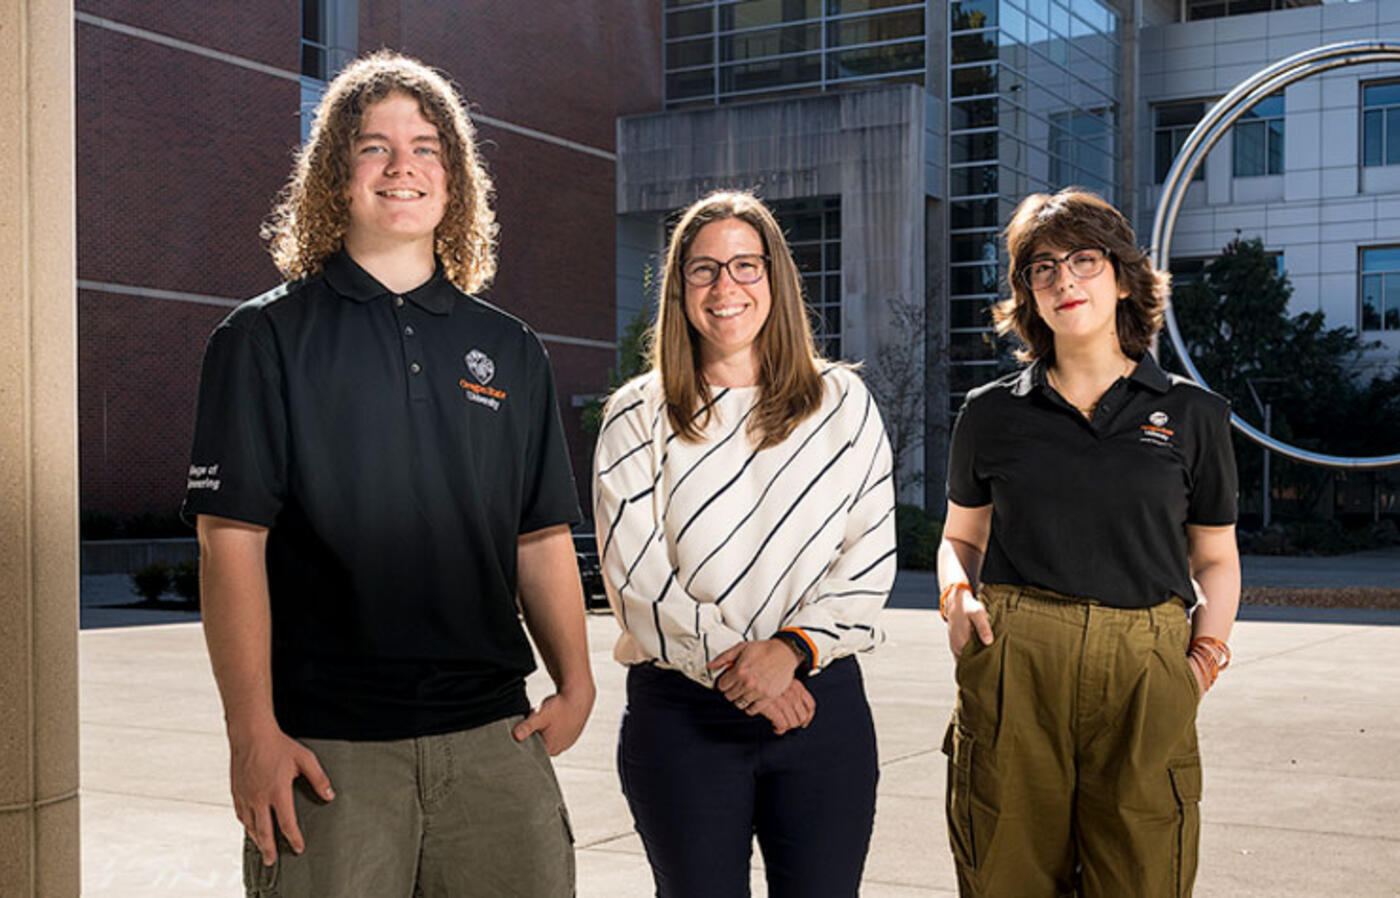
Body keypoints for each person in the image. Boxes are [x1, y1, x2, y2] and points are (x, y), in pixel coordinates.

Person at [182, 51, 593, 897]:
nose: (402, 166)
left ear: (456, 178)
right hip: (329, 753)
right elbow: (231, 547)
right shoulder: (261, 342)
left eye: (427, 146)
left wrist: (578, 683)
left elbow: (541, 531)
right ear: (336, 175)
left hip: (492, 740)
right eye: (374, 147)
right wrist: (251, 732)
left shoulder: (511, 348)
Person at [591, 190, 898, 898]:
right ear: (679, 290)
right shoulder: (636, 414)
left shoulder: (842, 403)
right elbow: (637, 581)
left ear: (777, 280)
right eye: (702, 270)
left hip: (819, 706)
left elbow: (868, 556)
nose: (725, 287)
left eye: (745, 266)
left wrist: (789, 653)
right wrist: (745, 674)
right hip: (683, 719)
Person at [937, 187, 1240, 898]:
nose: (1063, 280)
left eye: (1083, 259)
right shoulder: (989, 415)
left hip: (1146, 667)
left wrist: (1202, 659)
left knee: (1142, 877)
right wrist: (956, 595)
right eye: (1041, 268)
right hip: (1016, 663)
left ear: (1125, 277)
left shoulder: (1193, 414)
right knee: (1004, 875)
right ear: (1028, 295)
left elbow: (1217, 558)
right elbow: (961, 537)